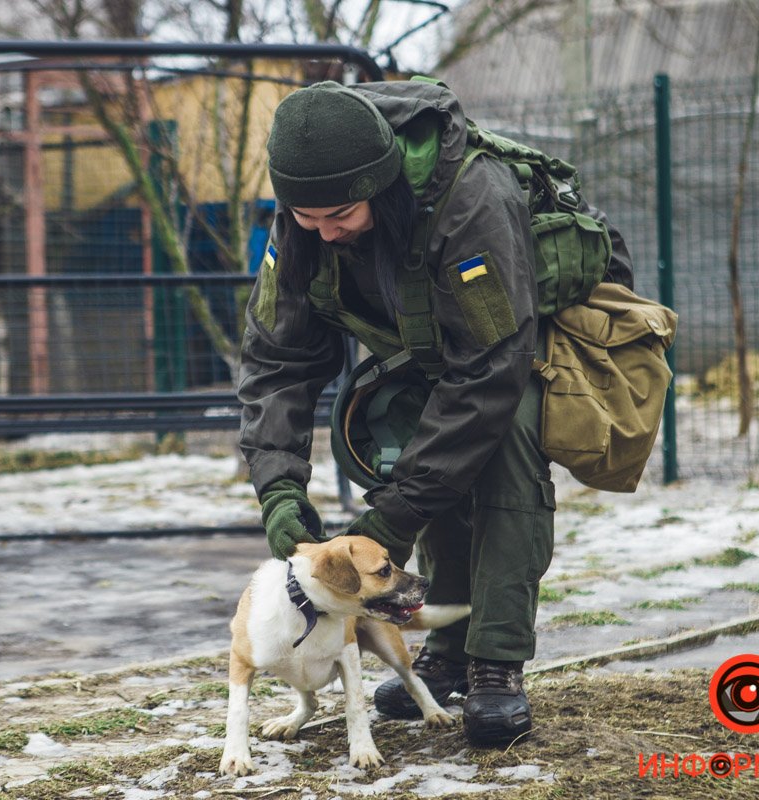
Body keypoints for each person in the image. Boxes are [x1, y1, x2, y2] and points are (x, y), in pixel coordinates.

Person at [236, 78, 633, 746]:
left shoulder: (471, 198)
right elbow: (277, 359)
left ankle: (496, 664)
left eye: (341, 216)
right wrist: (278, 490)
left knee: (499, 455)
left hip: (522, 341)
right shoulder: (303, 214)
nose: (325, 233)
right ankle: (447, 649)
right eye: (308, 218)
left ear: (381, 186)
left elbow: (486, 373)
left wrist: (392, 518)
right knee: (405, 451)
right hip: (422, 346)